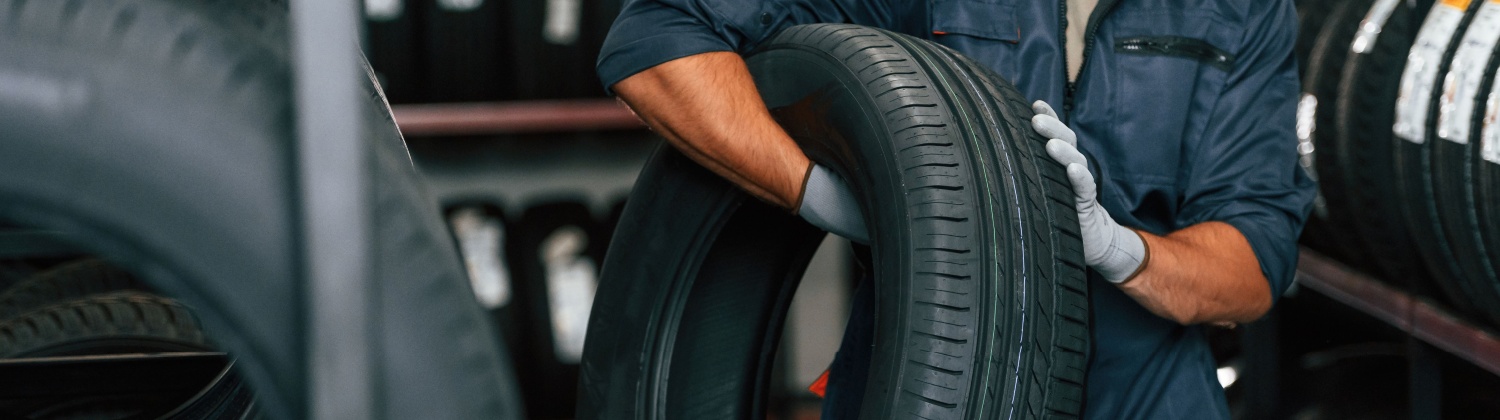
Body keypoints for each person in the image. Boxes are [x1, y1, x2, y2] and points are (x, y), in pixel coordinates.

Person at [595, 0, 1315, 418]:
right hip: (928, 380)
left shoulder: (1241, 8)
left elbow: (1255, 258)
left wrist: (1121, 249)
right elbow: (660, 41)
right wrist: (821, 191)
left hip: (1151, 399)